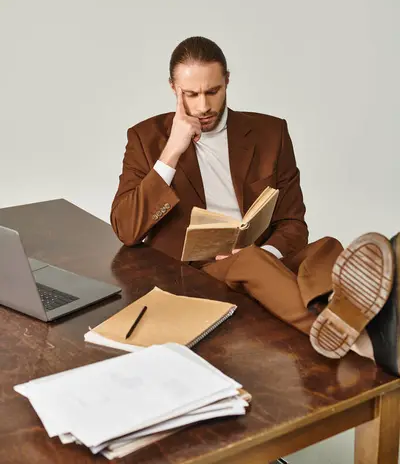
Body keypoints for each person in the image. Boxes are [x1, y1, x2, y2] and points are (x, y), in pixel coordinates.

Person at [111, 36, 400, 376]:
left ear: (228, 81)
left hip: (259, 257)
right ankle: (365, 341)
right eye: (191, 94)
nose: (203, 106)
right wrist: (172, 152)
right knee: (250, 260)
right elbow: (126, 229)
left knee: (325, 247)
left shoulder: (269, 133)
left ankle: (348, 319)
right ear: (174, 89)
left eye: (213, 91)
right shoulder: (146, 139)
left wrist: (271, 254)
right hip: (196, 273)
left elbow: (293, 222)